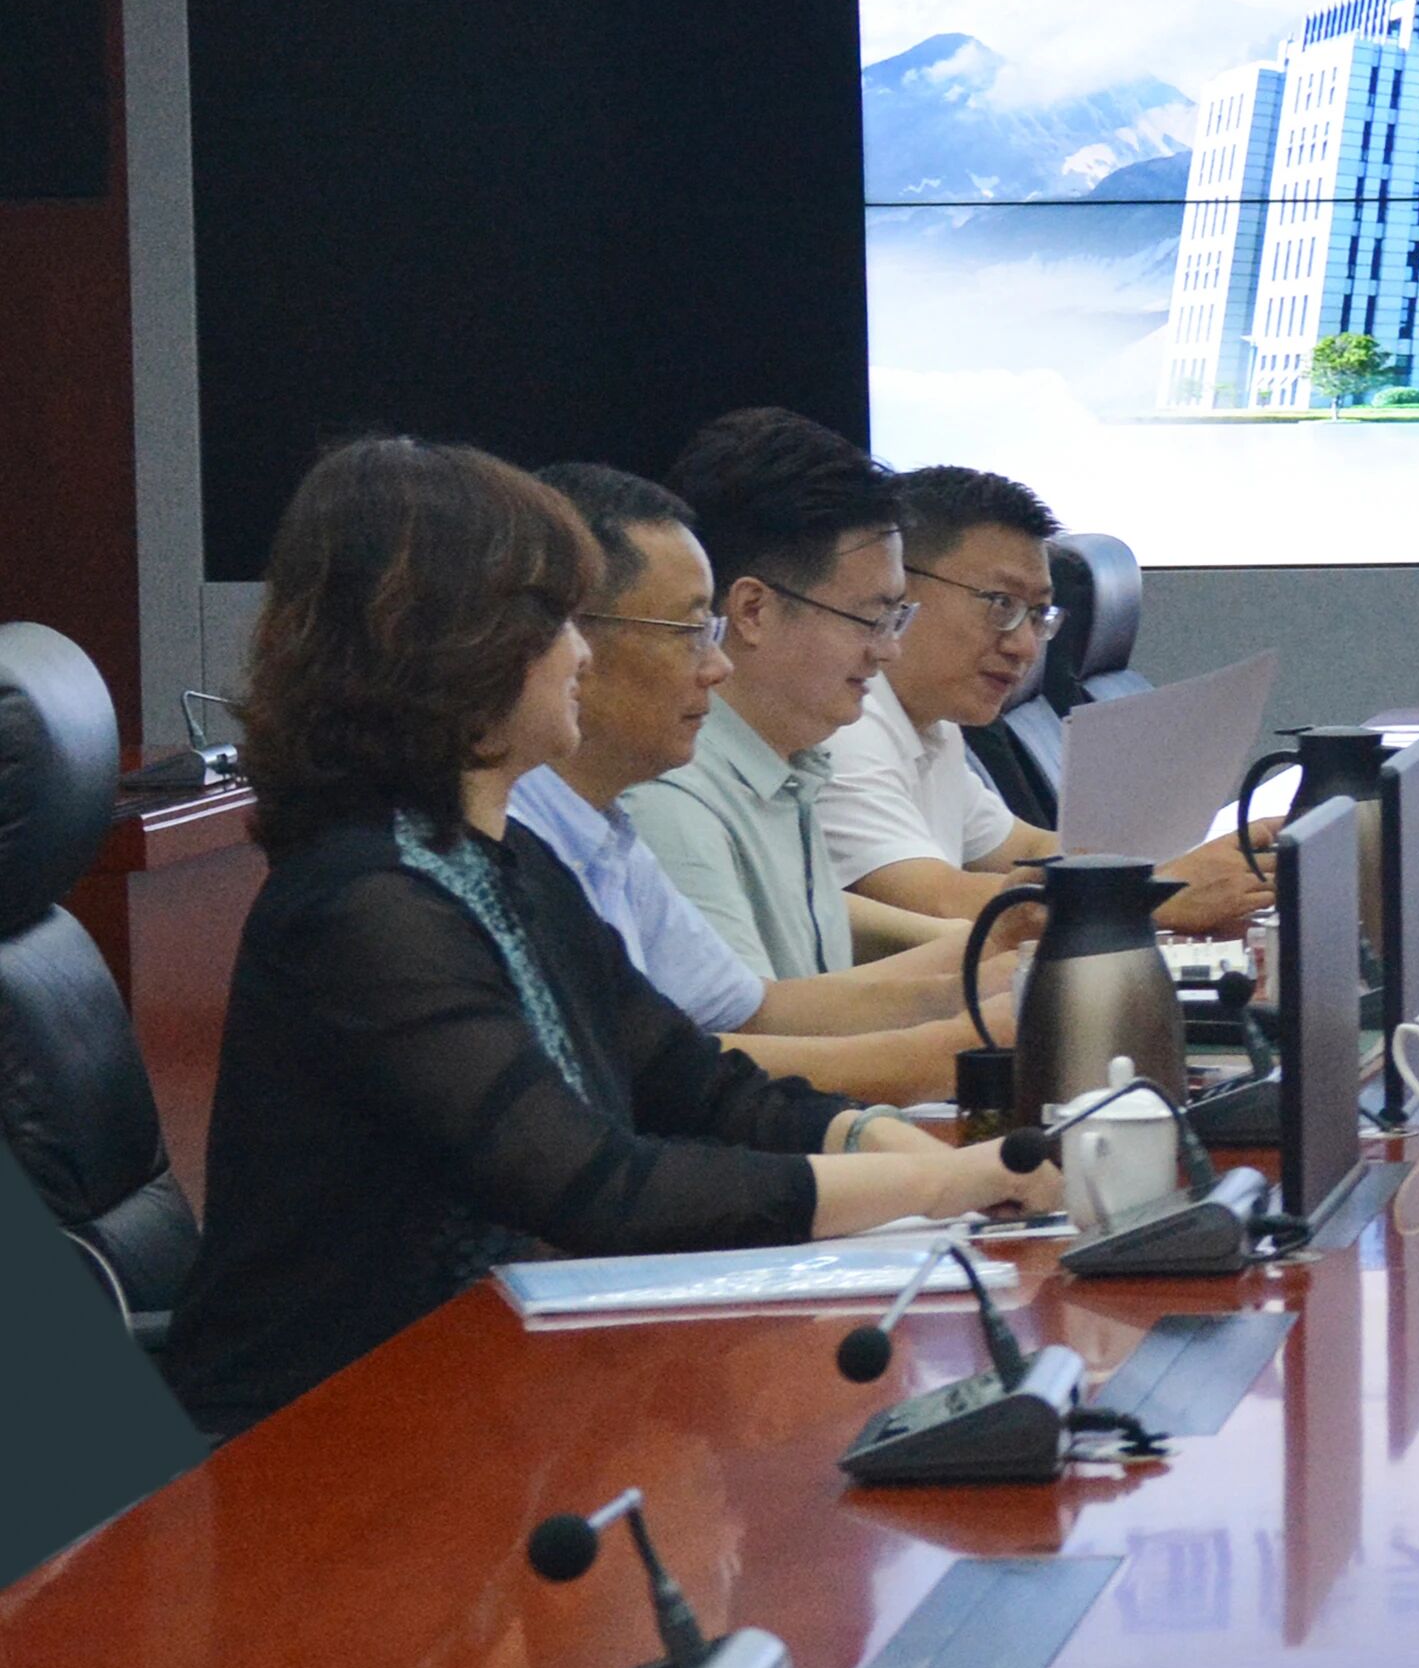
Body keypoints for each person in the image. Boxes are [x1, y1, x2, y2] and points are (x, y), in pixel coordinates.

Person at [162, 438, 1052, 1435]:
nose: (581, 653)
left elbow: (695, 1080)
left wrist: (868, 1136)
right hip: (326, 1436)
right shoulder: (370, 906)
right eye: (556, 621)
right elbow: (595, 1185)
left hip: (488, 1390)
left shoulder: (505, 860)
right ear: (460, 646)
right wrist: (937, 1178)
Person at [508, 465, 1002, 1103]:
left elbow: (750, 1011)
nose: (716, 667)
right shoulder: (641, 807)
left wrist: (989, 980)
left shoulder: (609, 825)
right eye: (691, 633)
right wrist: (961, 1040)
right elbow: (693, 1076)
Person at [822, 464, 1268, 936]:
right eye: (1001, 604)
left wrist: (1205, 863)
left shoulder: (931, 722)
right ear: (897, 589)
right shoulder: (846, 729)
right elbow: (937, 898)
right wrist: (1157, 895)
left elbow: (1030, 849)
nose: (1027, 648)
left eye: (1037, 615)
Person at [619, 408, 918, 981]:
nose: (889, 650)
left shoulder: (787, 759)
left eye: (896, 618)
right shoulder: (672, 793)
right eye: (870, 619)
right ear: (753, 610)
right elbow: (750, 1024)